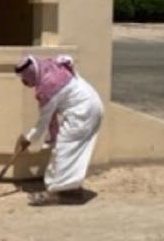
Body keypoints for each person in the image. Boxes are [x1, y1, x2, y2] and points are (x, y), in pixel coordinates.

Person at [14, 55, 104, 206]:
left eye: (25, 79)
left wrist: (28, 139)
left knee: (63, 151)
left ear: (31, 74)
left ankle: (59, 193)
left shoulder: (47, 88)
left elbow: (43, 123)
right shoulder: (51, 68)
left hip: (82, 113)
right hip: (93, 105)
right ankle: (71, 189)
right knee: (68, 151)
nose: (25, 83)